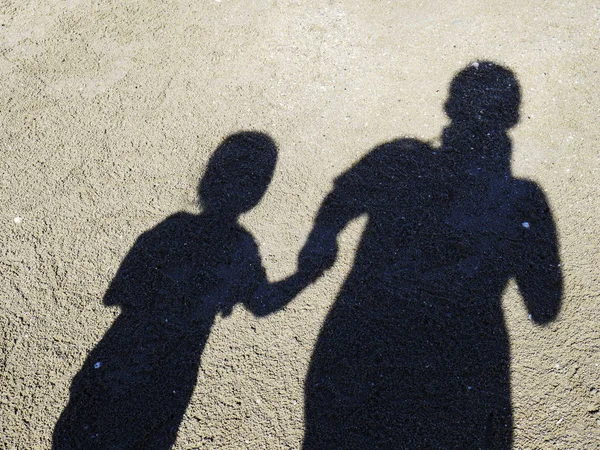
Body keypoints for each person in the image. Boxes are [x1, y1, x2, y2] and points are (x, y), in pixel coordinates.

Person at [278, 62, 563, 448]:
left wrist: (321, 243)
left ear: (449, 108)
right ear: (512, 119)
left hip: (362, 352)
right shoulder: (523, 202)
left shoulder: (399, 159)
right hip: (457, 374)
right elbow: (544, 307)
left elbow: (337, 205)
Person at [53, 131, 280, 449]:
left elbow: (119, 293)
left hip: (123, 354)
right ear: (257, 193)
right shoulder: (240, 247)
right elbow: (262, 302)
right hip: (171, 372)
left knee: (83, 428)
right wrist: (307, 274)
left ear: (207, 177)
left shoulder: (171, 229)